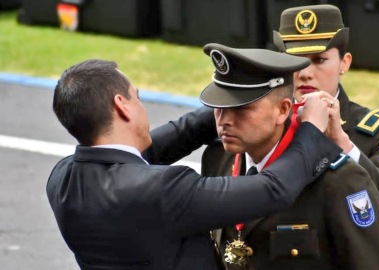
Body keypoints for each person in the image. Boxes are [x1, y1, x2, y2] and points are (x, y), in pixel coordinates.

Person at [47, 58, 340, 270]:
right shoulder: (163, 190)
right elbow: (273, 189)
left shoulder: (62, 179)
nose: (141, 104)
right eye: (137, 97)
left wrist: (233, 95)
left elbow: (171, 137)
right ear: (122, 105)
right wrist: (311, 128)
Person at [201, 43, 379, 269]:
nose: (224, 121)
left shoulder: (338, 179)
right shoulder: (217, 160)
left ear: (282, 110)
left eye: (242, 109)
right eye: (219, 107)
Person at [272, 4, 379, 219]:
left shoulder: (373, 129)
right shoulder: (269, 121)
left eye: (319, 60)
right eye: (295, 61)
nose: (305, 73)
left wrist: (343, 143)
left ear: (344, 63)